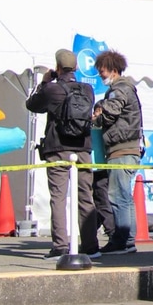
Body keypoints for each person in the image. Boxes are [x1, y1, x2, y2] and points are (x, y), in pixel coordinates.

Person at [25, 49, 100, 260]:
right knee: (85, 196)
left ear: (57, 67)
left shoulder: (53, 89)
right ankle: (91, 246)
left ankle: (60, 246)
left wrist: (44, 82)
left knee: (58, 198)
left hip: (58, 148)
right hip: (83, 148)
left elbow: (31, 105)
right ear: (75, 67)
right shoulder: (87, 90)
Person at [91, 49, 143, 255]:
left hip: (121, 150)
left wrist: (97, 117)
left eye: (102, 71)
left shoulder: (119, 89)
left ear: (113, 70)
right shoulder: (128, 88)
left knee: (117, 196)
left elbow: (111, 111)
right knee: (125, 197)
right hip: (130, 148)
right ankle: (128, 240)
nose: (100, 75)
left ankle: (121, 240)